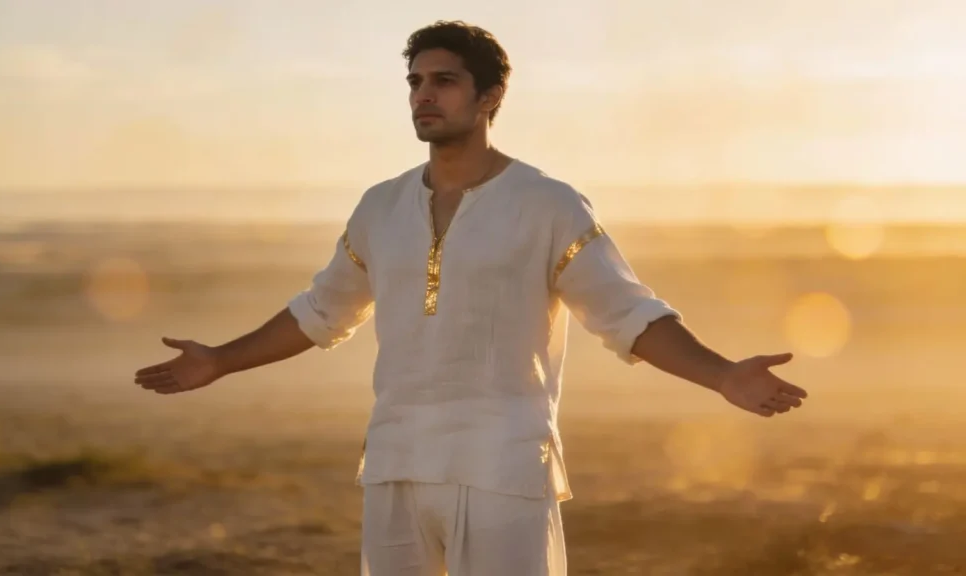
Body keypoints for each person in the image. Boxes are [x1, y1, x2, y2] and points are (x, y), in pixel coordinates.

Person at [133, 20, 809, 576]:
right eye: (415, 82)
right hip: (394, 463)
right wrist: (220, 359)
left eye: (444, 81)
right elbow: (321, 311)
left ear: (489, 98)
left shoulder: (546, 204)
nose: (424, 96)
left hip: (503, 468)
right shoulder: (381, 207)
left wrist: (722, 375)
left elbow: (626, 314)